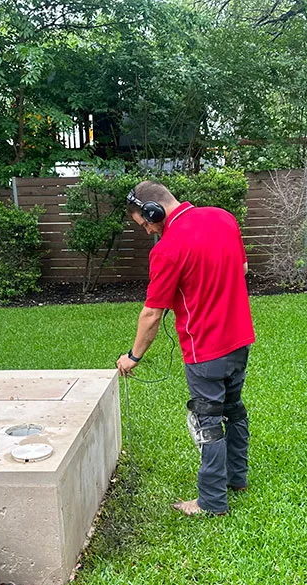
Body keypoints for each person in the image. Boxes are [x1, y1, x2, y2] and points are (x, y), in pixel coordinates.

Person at [116, 181, 255, 517]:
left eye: (144, 223)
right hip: (240, 340)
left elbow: (152, 313)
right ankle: (238, 478)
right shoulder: (224, 218)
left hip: (205, 350)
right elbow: (243, 269)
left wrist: (133, 357)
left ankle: (211, 501)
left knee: (206, 421)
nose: (147, 229)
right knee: (233, 408)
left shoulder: (167, 248)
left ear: (153, 211)